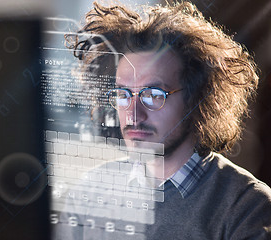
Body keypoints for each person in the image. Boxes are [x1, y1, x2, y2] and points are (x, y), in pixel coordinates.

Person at [51, 1, 271, 239]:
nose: (134, 114)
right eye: (122, 95)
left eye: (154, 95)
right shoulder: (89, 192)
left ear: (196, 98)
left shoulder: (247, 208)